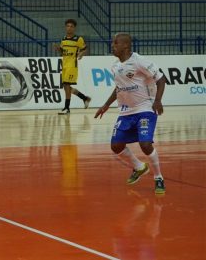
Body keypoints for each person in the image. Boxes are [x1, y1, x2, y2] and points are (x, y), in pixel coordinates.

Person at [94, 33, 166, 195]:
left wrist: (158, 100)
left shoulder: (139, 61)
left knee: (145, 144)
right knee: (116, 146)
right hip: (126, 111)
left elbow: (161, 79)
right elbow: (119, 88)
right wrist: (106, 105)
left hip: (145, 108)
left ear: (125, 46)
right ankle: (139, 167)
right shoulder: (115, 66)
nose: (113, 45)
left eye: (116, 43)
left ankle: (158, 177)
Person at [53, 19, 91, 114]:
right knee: (66, 87)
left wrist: (81, 54)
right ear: (65, 27)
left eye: (71, 26)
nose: (69, 28)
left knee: (66, 85)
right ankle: (85, 98)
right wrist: (58, 49)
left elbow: (85, 49)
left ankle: (67, 108)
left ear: (74, 28)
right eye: (68, 26)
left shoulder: (78, 39)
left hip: (72, 65)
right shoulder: (63, 39)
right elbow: (62, 53)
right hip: (64, 64)